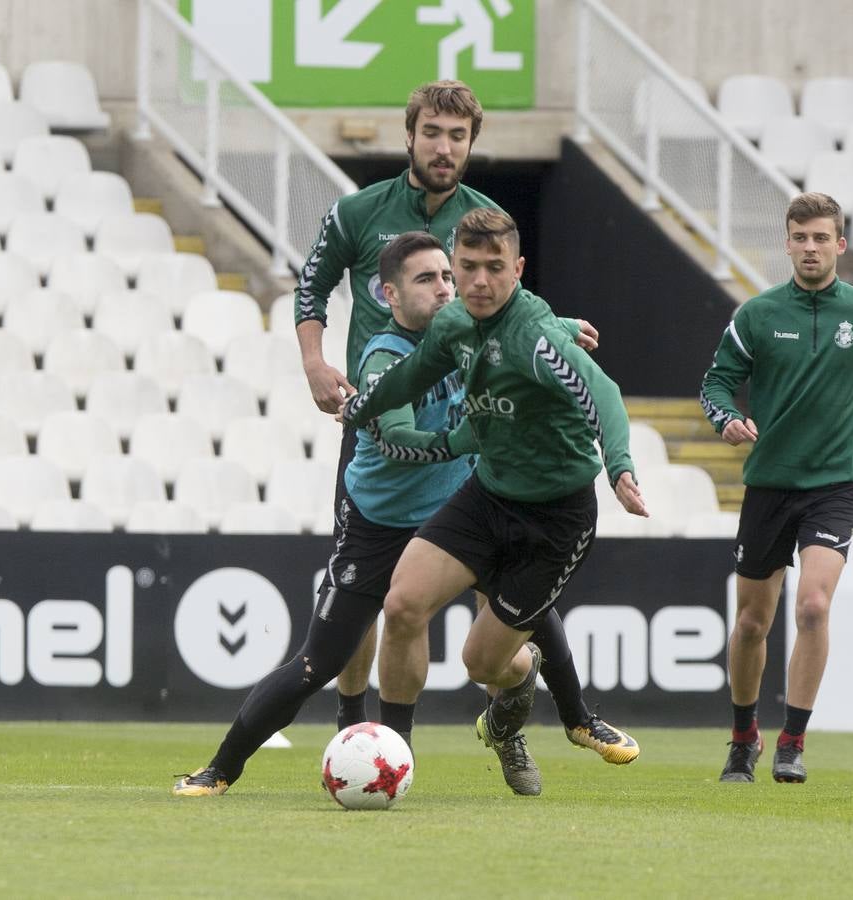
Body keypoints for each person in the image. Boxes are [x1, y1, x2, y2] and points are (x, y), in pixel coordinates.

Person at [174, 232, 607, 798]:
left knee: (528, 604)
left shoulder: (468, 333)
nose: (445, 289)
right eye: (426, 280)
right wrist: (464, 439)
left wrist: (564, 328)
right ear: (390, 294)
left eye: (447, 276)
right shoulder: (384, 356)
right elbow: (401, 442)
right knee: (318, 661)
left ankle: (570, 720)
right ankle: (220, 769)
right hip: (378, 525)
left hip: (457, 516)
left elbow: (523, 323)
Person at [293, 79, 636, 771]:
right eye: (432, 133)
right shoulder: (357, 211)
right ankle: (357, 733)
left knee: (505, 594)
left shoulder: (485, 217)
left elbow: (515, 305)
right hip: (385, 424)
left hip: (467, 423)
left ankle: (554, 718)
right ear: (409, 134)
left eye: (457, 137)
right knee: (365, 595)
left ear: (470, 145)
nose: (443, 148)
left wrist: (561, 326)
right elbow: (310, 283)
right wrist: (313, 363)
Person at [341, 209, 648, 777]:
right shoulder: (454, 321)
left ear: (518, 269)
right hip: (487, 495)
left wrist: (620, 465)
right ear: (455, 268)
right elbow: (414, 375)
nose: (480, 281)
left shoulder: (534, 338)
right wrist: (364, 405)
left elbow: (601, 390)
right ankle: (391, 757)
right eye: (468, 267)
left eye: (494, 268)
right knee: (403, 603)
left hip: (556, 518)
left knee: (482, 661)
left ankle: (516, 698)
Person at [698, 192, 853, 784]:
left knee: (814, 606)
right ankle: (743, 738)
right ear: (787, 242)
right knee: (751, 622)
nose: (810, 248)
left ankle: (792, 742)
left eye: (821, 238)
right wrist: (725, 417)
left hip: (833, 484)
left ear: (840, 245)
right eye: (800, 237)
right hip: (769, 484)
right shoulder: (758, 314)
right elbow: (716, 383)